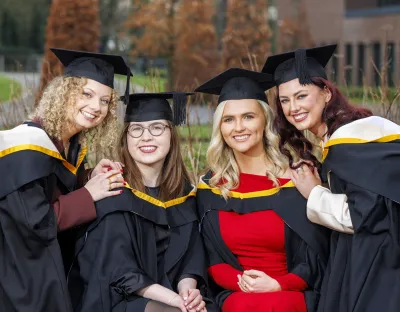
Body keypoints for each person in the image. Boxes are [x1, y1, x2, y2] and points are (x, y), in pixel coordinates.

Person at [262, 44, 400, 312]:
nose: (293, 108)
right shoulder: (351, 137)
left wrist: (315, 192)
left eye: (302, 96)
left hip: (379, 271)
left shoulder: (351, 143)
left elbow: (365, 215)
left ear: (326, 93)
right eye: (285, 100)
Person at [0, 48, 130, 312]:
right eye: (87, 94)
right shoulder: (24, 148)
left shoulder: (67, 143)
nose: (96, 107)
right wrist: (89, 194)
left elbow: (54, 187)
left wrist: (89, 176)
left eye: (105, 101)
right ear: (64, 93)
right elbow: (36, 223)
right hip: (18, 277)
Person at [194, 68, 330, 312]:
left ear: (265, 120)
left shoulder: (298, 179)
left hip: (291, 292)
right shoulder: (210, 187)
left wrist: (278, 284)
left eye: (248, 116)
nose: (238, 127)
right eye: (228, 119)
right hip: (238, 293)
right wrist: (245, 284)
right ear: (220, 128)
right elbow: (210, 257)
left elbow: (317, 254)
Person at [68, 92, 218, 312]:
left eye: (157, 127)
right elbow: (120, 273)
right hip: (119, 300)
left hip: (172, 297)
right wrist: (176, 301)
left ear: (171, 136)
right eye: (136, 129)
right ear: (126, 138)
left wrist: (188, 291)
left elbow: (192, 258)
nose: (146, 137)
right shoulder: (113, 193)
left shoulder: (185, 196)